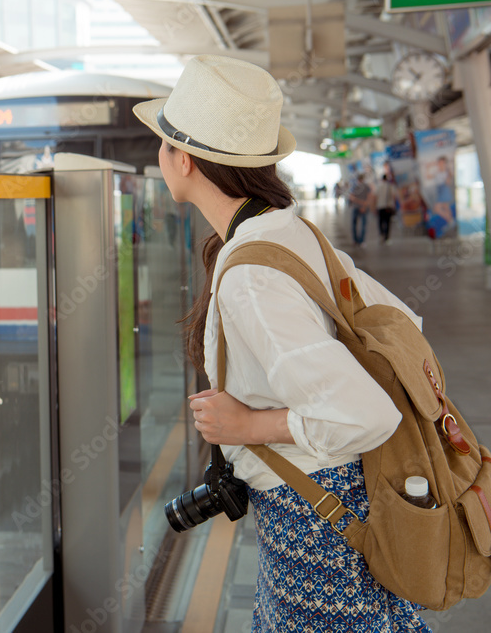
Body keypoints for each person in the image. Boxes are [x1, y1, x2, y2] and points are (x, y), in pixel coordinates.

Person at [133, 55, 430, 632]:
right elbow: (404, 323)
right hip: (331, 504)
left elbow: (367, 414)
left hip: (316, 521)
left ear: (186, 159)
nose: (159, 154)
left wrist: (248, 427)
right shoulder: (288, 232)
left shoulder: (251, 275)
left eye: (163, 143)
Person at [347, 172, 373, 247]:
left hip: (356, 207)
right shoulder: (367, 187)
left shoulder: (354, 186)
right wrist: (364, 206)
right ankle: (362, 241)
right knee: (363, 224)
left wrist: (358, 202)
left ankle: (355, 240)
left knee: (354, 224)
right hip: (363, 207)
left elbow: (352, 197)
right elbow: (369, 197)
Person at [375, 166, 398, 244]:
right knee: (388, 222)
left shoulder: (379, 186)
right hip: (388, 207)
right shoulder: (390, 186)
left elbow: (375, 196)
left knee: (381, 222)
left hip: (380, 206)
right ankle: (387, 238)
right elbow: (394, 196)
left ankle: (381, 234)